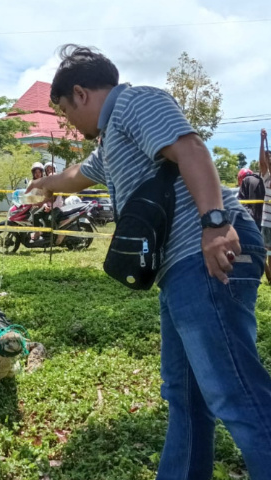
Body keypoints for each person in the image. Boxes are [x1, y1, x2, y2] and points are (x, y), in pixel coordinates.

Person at [27, 45, 271, 479]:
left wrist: (215, 224)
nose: (69, 121)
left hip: (206, 253)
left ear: (80, 93)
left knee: (236, 395)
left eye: (65, 109)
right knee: (186, 397)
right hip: (180, 268)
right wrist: (46, 183)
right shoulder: (112, 140)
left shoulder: (136, 102)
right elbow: (78, 175)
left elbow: (192, 149)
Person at [258, 129, 271, 284]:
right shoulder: (266, 177)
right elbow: (262, 161)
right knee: (264, 252)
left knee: (270, 255)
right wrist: (262, 141)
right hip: (267, 222)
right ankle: (268, 275)